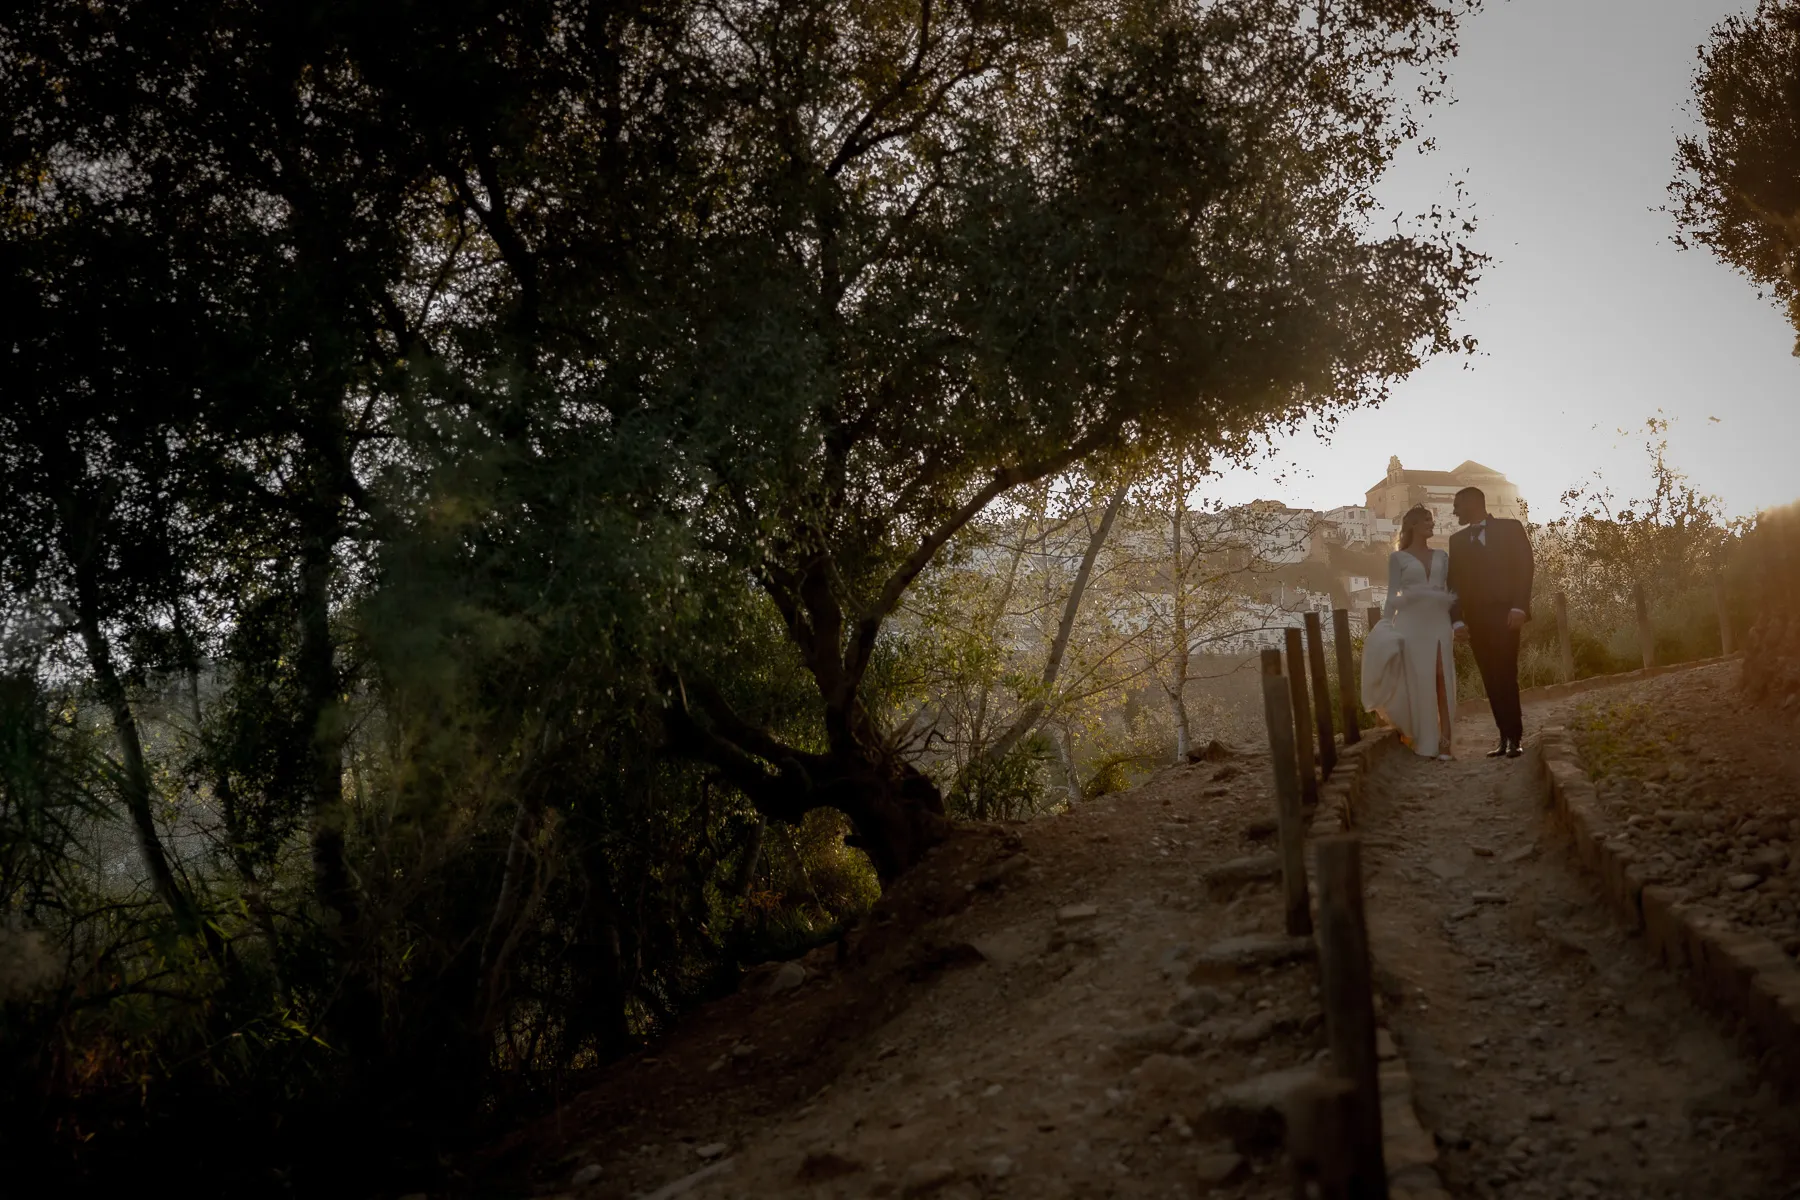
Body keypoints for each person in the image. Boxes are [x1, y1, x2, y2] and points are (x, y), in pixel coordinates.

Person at [1361, 505, 1457, 759]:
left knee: (1442, 679)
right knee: (1419, 681)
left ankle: (1446, 743)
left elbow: (1450, 590)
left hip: (1438, 621)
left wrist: (1457, 622)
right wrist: (1385, 626)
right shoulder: (1398, 558)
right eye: (1426, 520)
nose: (1431, 524)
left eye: (1432, 520)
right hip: (1410, 624)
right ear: (1412, 524)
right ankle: (1425, 743)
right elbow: (1393, 596)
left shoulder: (1442, 556)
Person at [1447, 486, 1534, 759]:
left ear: (1473, 503)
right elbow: (1453, 584)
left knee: (1506, 673)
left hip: (1506, 614)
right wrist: (1457, 621)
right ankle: (1503, 736)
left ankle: (1515, 737)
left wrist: (1520, 606)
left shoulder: (1510, 528)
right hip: (1476, 620)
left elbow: (1525, 567)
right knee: (1490, 678)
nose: (1454, 511)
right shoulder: (1457, 541)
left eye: (1457, 506)